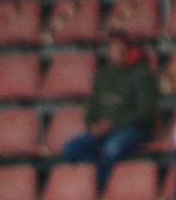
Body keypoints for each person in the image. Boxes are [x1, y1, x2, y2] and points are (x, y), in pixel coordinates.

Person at [61, 36, 160, 189]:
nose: (117, 52)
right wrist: (93, 125)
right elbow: (93, 108)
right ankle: (102, 178)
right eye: (113, 49)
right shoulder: (102, 75)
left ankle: (105, 187)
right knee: (71, 148)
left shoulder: (143, 75)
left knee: (113, 148)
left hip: (133, 129)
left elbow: (143, 112)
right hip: (103, 131)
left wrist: (112, 125)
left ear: (129, 50)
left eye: (121, 49)